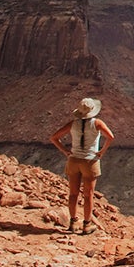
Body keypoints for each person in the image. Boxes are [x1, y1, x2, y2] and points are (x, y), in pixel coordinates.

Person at [48, 97, 115, 234]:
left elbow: (54, 137)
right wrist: (102, 151)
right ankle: (87, 224)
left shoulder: (73, 124)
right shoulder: (97, 123)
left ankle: (72, 223)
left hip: (73, 160)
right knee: (88, 194)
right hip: (90, 162)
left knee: (73, 193)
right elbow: (110, 137)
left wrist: (65, 151)